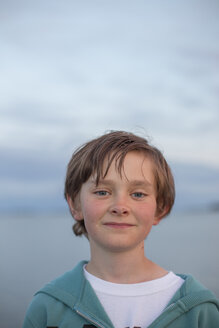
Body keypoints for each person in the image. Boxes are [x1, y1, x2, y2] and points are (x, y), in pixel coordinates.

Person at [23, 130, 219, 328]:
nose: (120, 206)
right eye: (102, 192)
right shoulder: (48, 307)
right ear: (75, 205)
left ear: (160, 209)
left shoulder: (199, 310)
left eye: (138, 194)